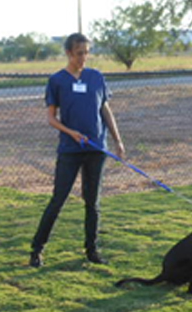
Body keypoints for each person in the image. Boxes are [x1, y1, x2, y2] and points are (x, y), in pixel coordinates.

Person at [29, 33, 125, 268]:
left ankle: (92, 250)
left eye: (86, 52)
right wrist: (71, 133)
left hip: (96, 149)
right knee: (58, 199)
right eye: (79, 53)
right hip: (70, 150)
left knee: (93, 202)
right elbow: (51, 118)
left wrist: (117, 140)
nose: (84, 57)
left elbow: (105, 110)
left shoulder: (96, 77)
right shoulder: (57, 81)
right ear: (69, 53)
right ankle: (37, 249)